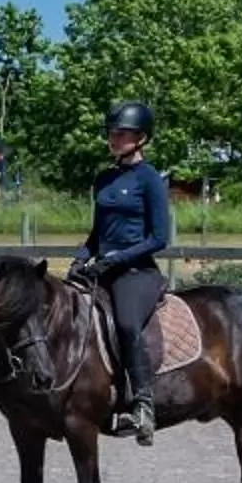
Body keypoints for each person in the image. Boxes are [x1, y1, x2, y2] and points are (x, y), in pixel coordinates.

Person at [69, 100, 172, 445]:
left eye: (122, 133)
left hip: (137, 272)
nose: (114, 138)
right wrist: (79, 259)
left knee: (126, 323)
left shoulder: (151, 179)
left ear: (141, 137)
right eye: (112, 133)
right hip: (103, 268)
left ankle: (143, 404)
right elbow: (98, 233)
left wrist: (115, 260)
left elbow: (159, 238)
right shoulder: (105, 179)